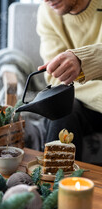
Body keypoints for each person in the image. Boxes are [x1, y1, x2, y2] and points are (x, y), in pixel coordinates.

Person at [36, 0, 102, 161]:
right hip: (84, 104)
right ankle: (56, 183)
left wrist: (82, 61)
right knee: (62, 108)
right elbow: (56, 80)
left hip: (83, 95)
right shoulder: (47, 12)